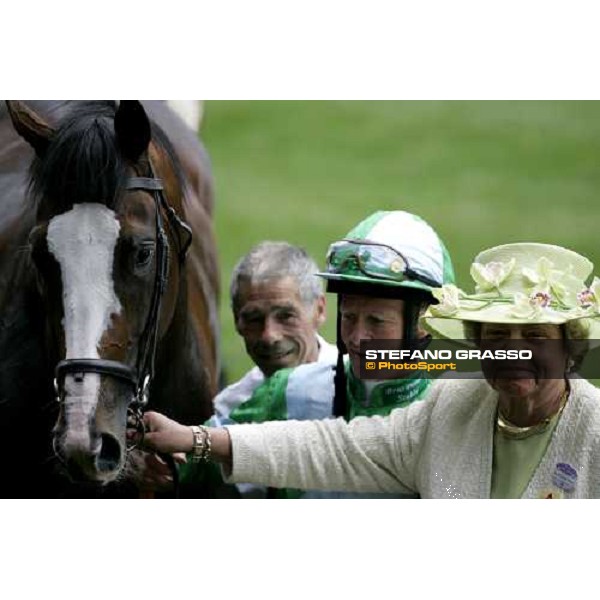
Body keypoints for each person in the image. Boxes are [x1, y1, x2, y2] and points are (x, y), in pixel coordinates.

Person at [143, 242, 600, 498]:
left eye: (535, 338)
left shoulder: (592, 430)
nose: (512, 354)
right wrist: (196, 440)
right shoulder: (453, 405)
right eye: (497, 337)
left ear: (572, 350)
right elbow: (338, 449)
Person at [141, 209, 458, 498]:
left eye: (377, 321)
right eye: (348, 317)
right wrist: (170, 465)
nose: (358, 337)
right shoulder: (289, 389)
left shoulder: (460, 411)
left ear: (423, 323)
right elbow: (188, 468)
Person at [137, 241, 337, 497]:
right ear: (236, 322)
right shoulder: (230, 409)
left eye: (286, 316)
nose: (269, 336)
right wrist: (166, 471)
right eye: (253, 319)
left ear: (319, 310)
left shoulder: (366, 379)